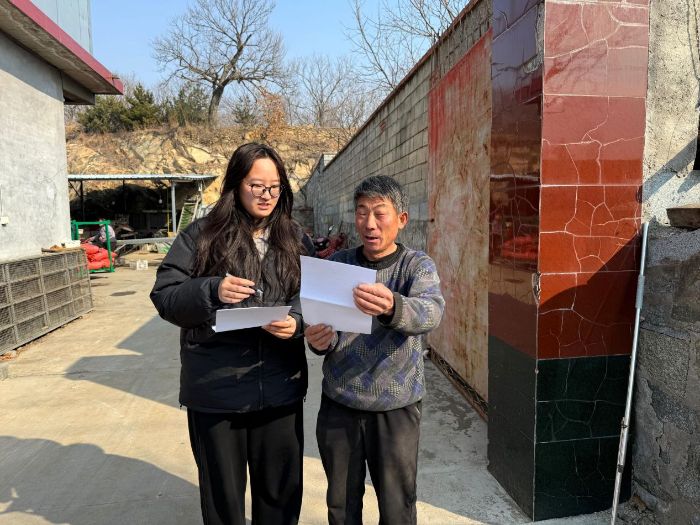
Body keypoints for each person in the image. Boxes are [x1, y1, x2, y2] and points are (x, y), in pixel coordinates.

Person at [150, 143, 308, 525]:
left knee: (280, 498)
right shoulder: (201, 235)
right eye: (257, 185)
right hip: (216, 392)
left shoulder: (294, 237)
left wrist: (297, 321)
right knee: (224, 504)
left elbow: (310, 295)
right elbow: (166, 296)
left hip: (280, 389)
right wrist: (212, 290)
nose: (266, 195)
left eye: (275, 187)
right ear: (236, 184)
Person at [304, 175, 445, 525]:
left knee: (397, 507)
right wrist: (319, 340)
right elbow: (325, 326)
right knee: (341, 504)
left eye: (380, 213)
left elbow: (431, 311)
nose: (369, 223)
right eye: (361, 212)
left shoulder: (416, 266)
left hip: (395, 408)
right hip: (340, 403)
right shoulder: (339, 264)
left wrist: (393, 307)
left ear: (401, 219)